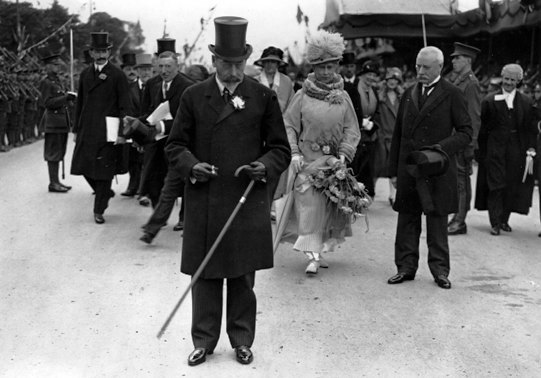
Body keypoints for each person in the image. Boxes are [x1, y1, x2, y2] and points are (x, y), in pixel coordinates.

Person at [164, 16, 290, 366]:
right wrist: (192, 166)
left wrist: (264, 166)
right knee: (204, 274)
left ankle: (242, 339)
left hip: (245, 196)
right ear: (214, 61)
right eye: (227, 64)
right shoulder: (193, 96)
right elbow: (174, 146)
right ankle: (204, 340)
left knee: (241, 275)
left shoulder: (263, 96)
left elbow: (279, 148)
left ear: (246, 61)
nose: (234, 72)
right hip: (205, 197)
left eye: (239, 64)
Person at [387, 46, 472, 290]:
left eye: (425, 67)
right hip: (410, 169)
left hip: (437, 169)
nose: (420, 71)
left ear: (439, 68)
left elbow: (466, 132)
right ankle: (405, 267)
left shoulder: (452, 94)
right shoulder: (408, 93)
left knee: (437, 221)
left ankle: (440, 271)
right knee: (407, 219)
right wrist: (393, 170)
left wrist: (439, 148)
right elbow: (398, 135)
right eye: (417, 66)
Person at [283, 30, 361, 275]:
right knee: (309, 208)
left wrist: (344, 154)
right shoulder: (302, 95)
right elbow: (289, 124)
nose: (326, 73)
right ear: (313, 67)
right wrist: (294, 153)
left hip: (333, 163)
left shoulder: (344, 96)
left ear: (336, 66)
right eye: (321, 67)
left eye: (330, 67)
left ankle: (318, 250)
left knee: (329, 210)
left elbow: (352, 128)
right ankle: (313, 255)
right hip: (307, 161)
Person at [71, 32, 133, 224]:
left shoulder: (117, 75)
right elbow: (80, 102)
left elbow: (126, 106)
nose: (100, 55)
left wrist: (124, 133)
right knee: (83, 166)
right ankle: (104, 192)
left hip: (109, 129)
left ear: (109, 52)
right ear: (91, 52)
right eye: (97, 51)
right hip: (88, 128)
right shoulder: (85, 74)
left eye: (104, 51)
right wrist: (75, 129)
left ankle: (99, 209)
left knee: (104, 170)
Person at [474, 64, 538, 235]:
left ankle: (504, 220)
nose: (508, 82)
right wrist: (480, 150)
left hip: (516, 149)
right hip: (495, 148)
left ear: (518, 81)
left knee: (511, 184)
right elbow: (483, 129)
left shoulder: (526, 101)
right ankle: (495, 222)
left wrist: (531, 148)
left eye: (512, 79)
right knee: (496, 185)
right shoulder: (489, 100)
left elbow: (530, 129)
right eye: (506, 78)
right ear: (502, 78)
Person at [446, 42, 482, 235]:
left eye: (457, 58)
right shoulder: (459, 80)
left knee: (461, 181)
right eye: (453, 58)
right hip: (454, 138)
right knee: (457, 179)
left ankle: (460, 220)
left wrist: (470, 143)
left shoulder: (471, 83)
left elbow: (474, 116)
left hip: (462, 140)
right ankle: (457, 218)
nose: (453, 61)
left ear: (467, 60)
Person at [38, 52, 75, 193]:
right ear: (47, 66)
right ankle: (53, 183)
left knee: (59, 151)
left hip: (60, 121)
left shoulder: (57, 81)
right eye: (54, 65)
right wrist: (66, 97)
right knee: (53, 152)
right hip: (53, 122)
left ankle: (56, 181)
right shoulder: (46, 82)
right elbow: (47, 102)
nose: (57, 67)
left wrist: (69, 99)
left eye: (58, 65)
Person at [347, 59, 380, 198]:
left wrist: (373, 123)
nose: (370, 78)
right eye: (368, 74)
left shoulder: (374, 91)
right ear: (362, 75)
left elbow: (377, 111)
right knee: (355, 165)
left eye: (373, 75)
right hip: (355, 132)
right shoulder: (353, 87)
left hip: (369, 134)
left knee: (368, 166)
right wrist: (361, 121)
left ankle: (363, 195)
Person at [373, 67, 403, 206]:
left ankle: (393, 195)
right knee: (378, 167)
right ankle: (370, 192)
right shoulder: (380, 97)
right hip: (382, 136)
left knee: (394, 169)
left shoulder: (402, 97)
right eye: (390, 79)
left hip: (396, 137)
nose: (392, 82)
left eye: (395, 79)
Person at [120, 53, 143, 197]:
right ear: (123, 70)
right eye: (128, 68)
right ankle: (133, 185)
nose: (131, 71)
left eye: (134, 68)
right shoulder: (120, 86)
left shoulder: (141, 87)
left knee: (138, 158)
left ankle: (139, 186)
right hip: (123, 126)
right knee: (128, 158)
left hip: (137, 124)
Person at [254, 46, 294, 113]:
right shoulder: (255, 82)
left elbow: (292, 105)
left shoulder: (286, 81)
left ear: (278, 64)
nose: (269, 64)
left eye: (273, 62)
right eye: (267, 61)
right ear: (263, 63)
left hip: (283, 121)